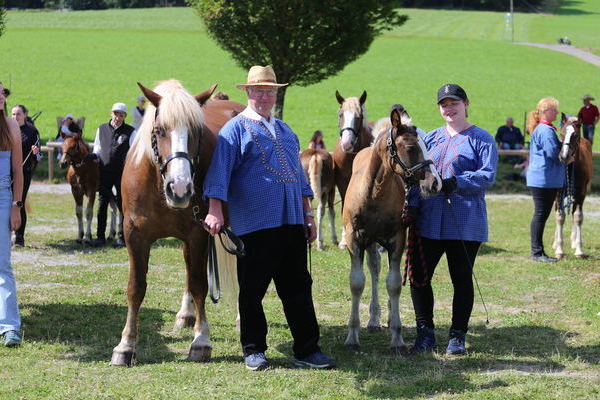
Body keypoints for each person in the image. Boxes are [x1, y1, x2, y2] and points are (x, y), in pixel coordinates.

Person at [203, 65, 336, 371]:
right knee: (252, 289)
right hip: (254, 223)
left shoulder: (287, 131)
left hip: (291, 221)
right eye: (258, 90)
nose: (264, 96)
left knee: (299, 287)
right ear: (248, 93)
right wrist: (214, 209)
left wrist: (308, 214)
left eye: (270, 90)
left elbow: (300, 179)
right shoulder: (233, 130)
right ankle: (253, 349)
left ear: (276, 93)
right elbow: (219, 172)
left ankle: (307, 349)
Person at [408, 84, 498, 356]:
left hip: (465, 220)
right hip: (429, 220)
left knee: (461, 278)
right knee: (419, 277)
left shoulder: (482, 139)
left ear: (466, 104)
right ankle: (425, 333)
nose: (449, 108)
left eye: (454, 103)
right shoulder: (431, 139)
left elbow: (488, 175)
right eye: (444, 104)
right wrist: (411, 206)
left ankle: (457, 336)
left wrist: (456, 182)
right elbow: (414, 175)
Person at [89, 103, 136, 248]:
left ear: (125, 116)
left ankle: (122, 238)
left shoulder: (131, 131)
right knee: (102, 204)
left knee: (123, 205)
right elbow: (97, 147)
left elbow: (133, 151)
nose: (118, 117)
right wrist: (92, 156)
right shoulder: (102, 129)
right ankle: (100, 237)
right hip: (105, 172)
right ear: (111, 114)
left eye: (121, 115)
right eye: (116, 114)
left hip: (123, 174)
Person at [0, 82, 24, 347]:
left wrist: (16, 205)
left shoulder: (11, 125)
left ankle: (9, 327)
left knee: (3, 264)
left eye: (2, 92)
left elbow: (18, 170)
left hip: (3, 197)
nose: (1, 96)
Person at [526, 97, 565, 263]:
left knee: (540, 215)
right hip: (544, 179)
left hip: (543, 179)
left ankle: (538, 251)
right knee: (541, 215)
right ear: (545, 111)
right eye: (554, 109)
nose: (556, 112)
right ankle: (537, 252)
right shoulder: (546, 131)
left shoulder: (543, 129)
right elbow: (553, 154)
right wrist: (567, 156)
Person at [11, 105, 41, 247]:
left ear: (24, 115)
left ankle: (19, 238)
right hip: (6, 172)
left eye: (18, 114)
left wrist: (36, 152)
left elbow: (39, 156)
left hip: (24, 173)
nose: (15, 117)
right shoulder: (6, 129)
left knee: (19, 202)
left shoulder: (32, 131)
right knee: (5, 203)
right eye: (13, 114)